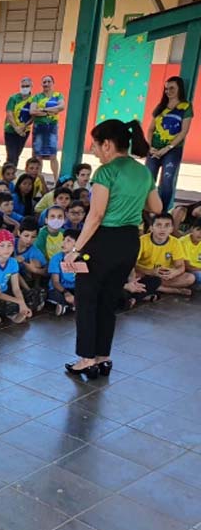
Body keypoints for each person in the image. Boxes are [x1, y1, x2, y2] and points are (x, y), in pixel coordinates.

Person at [61, 119, 162, 379]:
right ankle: (103, 357)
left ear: (107, 144)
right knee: (108, 301)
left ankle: (86, 358)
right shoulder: (143, 172)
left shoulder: (105, 172)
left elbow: (95, 216)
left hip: (103, 241)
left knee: (87, 299)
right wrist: (131, 201)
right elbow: (157, 208)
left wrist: (75, 250)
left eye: (95, 145)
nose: (93, 151)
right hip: (129, 241)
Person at [146, 76, 193, 211]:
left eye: (172, 88)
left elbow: (184, 131)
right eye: (166, 88)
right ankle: (145, 211)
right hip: (154, 149)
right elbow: (150, 129)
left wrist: (168, 148)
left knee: (167, 182)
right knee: (148, 181)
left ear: (179, 89)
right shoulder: (160, 107)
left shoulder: (186, 107)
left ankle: (162, 212)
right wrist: (150, 147)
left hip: (172, 150)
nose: (168, 91)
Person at [30, 75, 66, 181]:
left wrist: (43, 110)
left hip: (52, 128)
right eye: (44, 82)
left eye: (48, 81)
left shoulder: (58, 95)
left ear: (52, 83)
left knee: (53, 155)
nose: (46, 84)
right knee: (38, 156)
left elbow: (61, 107)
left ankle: (56, 180)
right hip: (39, 127)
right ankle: (39, 180)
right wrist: (52, 111)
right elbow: (32, 111)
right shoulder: (37, 96)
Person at [4, 77, 34, 167]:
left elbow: (33, 116)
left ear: (31, 86)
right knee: (11, 155)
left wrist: (23, 127)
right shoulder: (13, 98)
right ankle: (6, 174)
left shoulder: (34, 100)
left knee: (17, 155)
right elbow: (9, 113)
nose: (24, 88)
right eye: (23, 86)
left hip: (24, 131)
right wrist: (16, 127)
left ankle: (12, 172)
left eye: (27, 86)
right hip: (10, 129)